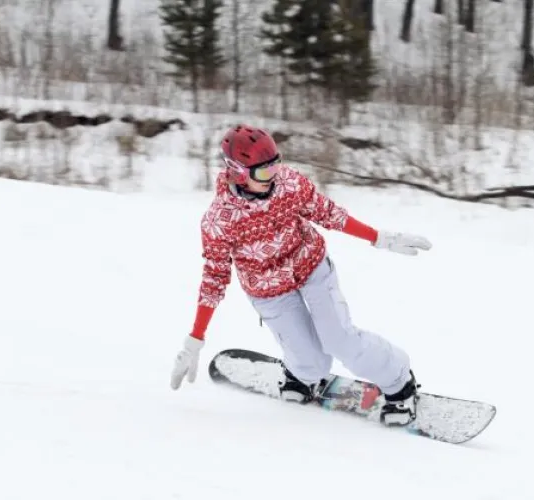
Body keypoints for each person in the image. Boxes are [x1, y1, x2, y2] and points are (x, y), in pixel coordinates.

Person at [170, 124, 432, 426]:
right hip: (268, 290)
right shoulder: (220, 220)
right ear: (238, 172)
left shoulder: (288, 185)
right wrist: (195, 338)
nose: (274, 176)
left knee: (340, 340)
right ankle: (301, 374)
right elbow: (214, 279)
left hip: (310, 267)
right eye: (264, 172)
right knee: (312, 364)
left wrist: (379, 237)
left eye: (275, 166)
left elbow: (329, 214)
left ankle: (399, 381)